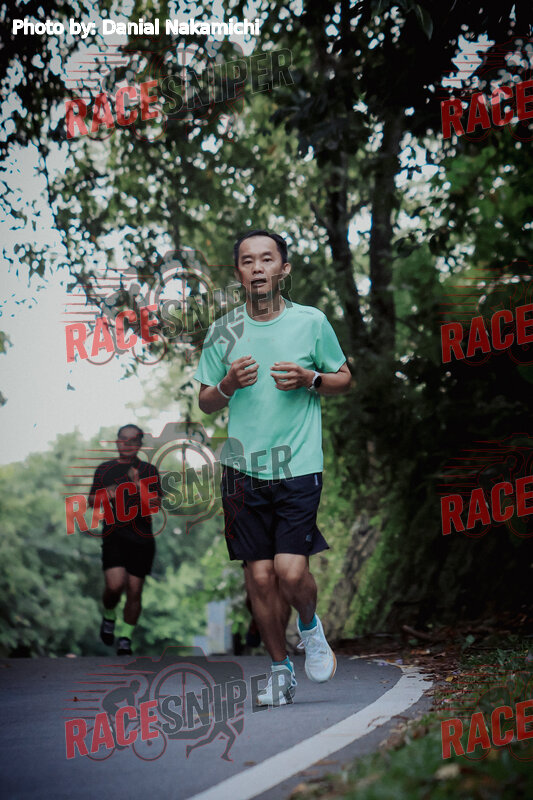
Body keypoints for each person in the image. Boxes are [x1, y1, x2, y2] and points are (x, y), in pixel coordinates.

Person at [194, 229, 351, 705]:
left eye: (267, 259)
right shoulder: (223, 330)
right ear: (238, 272)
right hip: (242, 470)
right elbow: (205, 400)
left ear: (284, 269)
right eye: (248, 261)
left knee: (290, 571)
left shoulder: (311, 322)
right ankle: (280, 670)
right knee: (259, 577)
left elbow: (344, 378)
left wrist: (311, 378)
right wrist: (227, 384)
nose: (257, 267)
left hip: (298, 464)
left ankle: (310, 627)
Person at [88, 424, 162, 655]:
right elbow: (91, 502)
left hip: (142, 539)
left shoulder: (149, 470)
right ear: (117, 441)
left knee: (134, 590)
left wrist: (137, 483)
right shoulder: (104, 469)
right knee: (114, 586)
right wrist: (108, 493)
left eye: (133, 440)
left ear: (140, 444)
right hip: (114, 536)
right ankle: (109, 615)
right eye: (123, 439)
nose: (127, 444)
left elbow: (155, 504)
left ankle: (125, 639)